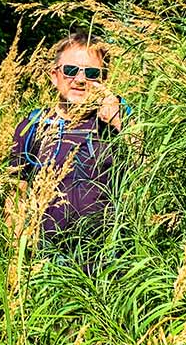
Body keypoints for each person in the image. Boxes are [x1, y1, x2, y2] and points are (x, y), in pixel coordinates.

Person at [7, 31, 130, 266]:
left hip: (105, 260)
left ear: (104, 79)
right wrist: (17, 256)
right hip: (45, 260)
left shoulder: (116, 122)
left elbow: (147, 169)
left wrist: (119, 122)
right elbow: (16, 196)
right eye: (71, 70)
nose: (81, 80)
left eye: (92, 73)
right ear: (54, 76)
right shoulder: (33, 126)